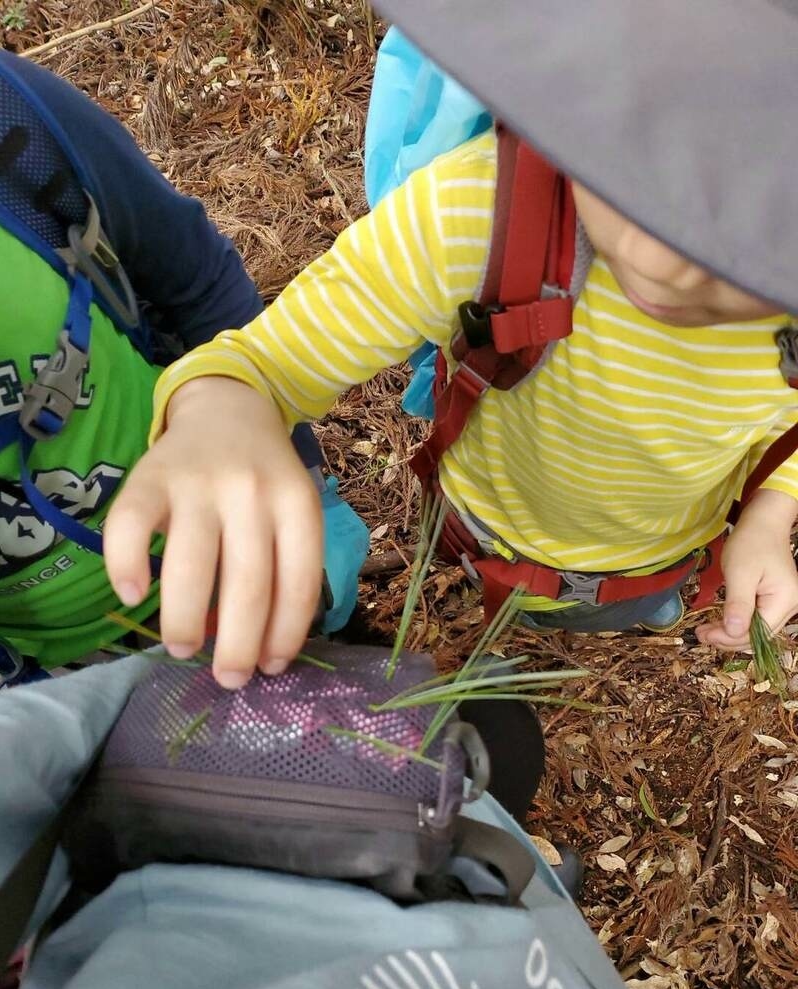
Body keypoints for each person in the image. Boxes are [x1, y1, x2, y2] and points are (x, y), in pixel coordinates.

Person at [102, 10, 798, 691]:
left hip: (662, 561)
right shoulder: (485, 213)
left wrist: (770, 512)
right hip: (477, 527)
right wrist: (223, 404)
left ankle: (636, 610)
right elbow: (266, 362)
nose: (660, 258)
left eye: (749, 214)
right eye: (632, 149)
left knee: (631, 609)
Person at [0, 50, 367, 684]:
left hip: (236, 549)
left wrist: (296, 469)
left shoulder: (12, 123)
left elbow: (194, 278)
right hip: (45, 677)